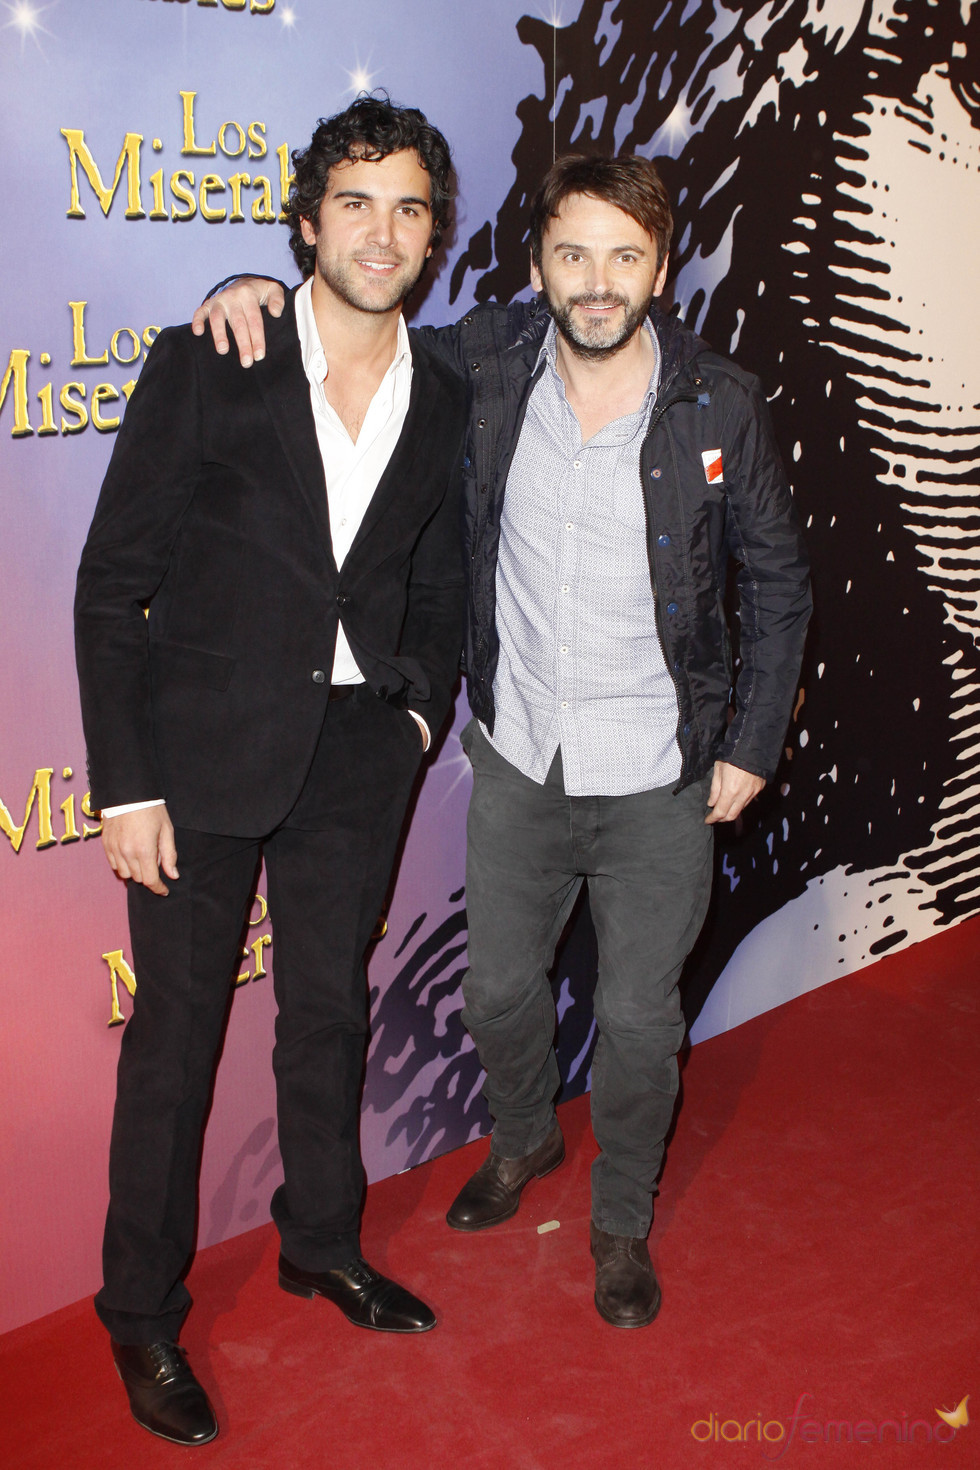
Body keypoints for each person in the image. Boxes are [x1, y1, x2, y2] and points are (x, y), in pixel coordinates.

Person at [194, 152, 811, 1332]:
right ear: (539, 264)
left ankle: (620, 1221)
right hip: (522, 758)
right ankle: (525, 1136)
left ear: (659, 270)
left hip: (660, 778)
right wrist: (252, 287)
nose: (596, 282)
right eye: (572, 254)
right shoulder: (481, 364)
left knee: (637, 1020)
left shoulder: (716, 402)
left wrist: (748, 741)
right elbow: (353, 328)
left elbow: (778, 584)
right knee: (494, 993)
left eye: (623, 257)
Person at [75, 96, 467, 1446]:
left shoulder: (452, 387)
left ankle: (321, 1242)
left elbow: (439, 588)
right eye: (355, 202)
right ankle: (138, 1312)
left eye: (409, 205)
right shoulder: (214, 356)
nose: (383, 229)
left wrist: (415, 721)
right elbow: (112, 581)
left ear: (435, 233)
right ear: (305, 222)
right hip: (195, 765)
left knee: (327, 1017)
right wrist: (124, 788)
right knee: (176, 1048)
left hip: (357, 759)